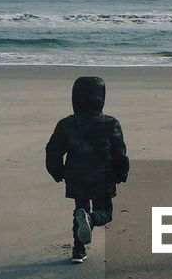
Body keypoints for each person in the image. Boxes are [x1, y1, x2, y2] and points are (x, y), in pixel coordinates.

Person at [45, 75, 129, 262]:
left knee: (79, 208)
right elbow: (119, 152)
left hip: (76, 175)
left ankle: (78, 250)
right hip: (103, 176)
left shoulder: (67, 124)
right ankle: (91, 220)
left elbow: (53, 150)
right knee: (105, 212)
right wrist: (121, 173)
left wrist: (57, 172)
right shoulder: (110, 123)